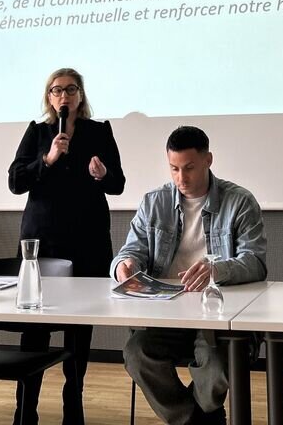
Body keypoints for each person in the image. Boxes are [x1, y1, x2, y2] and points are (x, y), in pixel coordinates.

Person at [111, 126, 267, 425]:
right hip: (166, 313)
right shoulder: (153, 202)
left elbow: (255, 262)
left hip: (218, 314)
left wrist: (216, 270)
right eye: (174, 169)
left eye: (190, 168)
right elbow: (131, 249)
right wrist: (124, 265)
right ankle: (197, 420)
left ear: (209, 160)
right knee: (137, 353)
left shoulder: (240, 202)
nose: (181, 178)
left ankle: (197, 416)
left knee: (218, 363)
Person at [8, 68, 125, 425]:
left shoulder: (99, 131)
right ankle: (25, 408)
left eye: (71, 89)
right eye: (57, 90)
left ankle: (73, 403)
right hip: (43, 239)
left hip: (87, 238)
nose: (64, 96)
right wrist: (47, 160)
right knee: (36, 327)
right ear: (49, 98)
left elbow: (118, 183)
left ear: (80, 95)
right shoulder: (38, 132)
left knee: (79, 326)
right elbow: (15, 181)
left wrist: (103, 174)